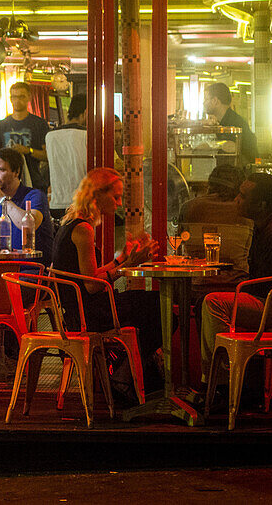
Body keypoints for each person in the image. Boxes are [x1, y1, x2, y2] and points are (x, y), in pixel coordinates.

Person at [50, 167, 162, 392]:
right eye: (116, 196)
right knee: (161, 309)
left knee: (151, 303)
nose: (119, 203)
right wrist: (128, 266)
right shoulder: (83, 229)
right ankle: (123, 374)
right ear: (96, 195)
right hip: (88, 315)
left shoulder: (73, 221)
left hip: (77, 310)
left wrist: (121, 258)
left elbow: (87, 275)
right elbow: (92, 286)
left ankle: (124, 373)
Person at [198, 173, 272, 390]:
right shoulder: (267, 224)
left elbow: (268, 286)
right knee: (202, 302)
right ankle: (218, 381)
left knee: (213, 303)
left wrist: (239, 285)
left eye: (242, 196)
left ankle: (225, 383)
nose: (236, 200)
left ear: (261, 204)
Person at [0, 147, 54, 274]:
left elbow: (29, 225)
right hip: (4, 271)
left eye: (1, 170)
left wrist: (2, 198)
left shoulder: (34, 196)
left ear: (16, 172)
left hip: (33, 271)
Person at [0, 81, 50, 192]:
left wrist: (28, 150)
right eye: (14, 97)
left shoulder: (39, 124)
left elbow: (47, 155)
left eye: (21, 96)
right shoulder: (0, 125)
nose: (17, 100)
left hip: (34, 182)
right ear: (10, 99)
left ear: (29, 97)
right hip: (6, 184)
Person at [45, 93, 88, 222]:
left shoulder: (50, 136)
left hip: (56, 203)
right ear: (86, 112)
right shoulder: (86, 135)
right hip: (81, 203)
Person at [203, 82, 256, 166]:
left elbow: (232, 150)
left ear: (215, 101)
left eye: (206, 99)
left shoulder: (234, 124)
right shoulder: (223, 122)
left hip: (237, 175)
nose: (204, 103)